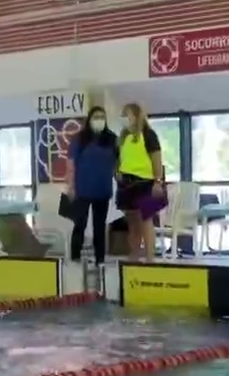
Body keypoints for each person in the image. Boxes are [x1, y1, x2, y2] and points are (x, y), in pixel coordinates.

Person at [65, 106, 118, 264]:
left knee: (99, 227)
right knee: (79, 224)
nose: (99, 120)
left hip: (103, 189)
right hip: (82, 189)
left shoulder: (111, 139)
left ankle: (100, 259)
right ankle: (75, 257)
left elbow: (118, 163)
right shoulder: (80, 139)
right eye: (96, 117)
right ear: (89, 119)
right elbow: (71, 164)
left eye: (102, 117)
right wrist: (71, 187)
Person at [115, 103, 166, 262]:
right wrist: (117, 173)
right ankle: (135, 255)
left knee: (146, 219)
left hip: (145, 183)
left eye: (128, 115)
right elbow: (121, 159)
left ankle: (150, 257)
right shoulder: (124, 138)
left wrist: (157, 181)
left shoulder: (148, 134)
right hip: (126, 184)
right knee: (133, 222)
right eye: (124, 115)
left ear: (137, 116)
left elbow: (156, 158)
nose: (126, 119)